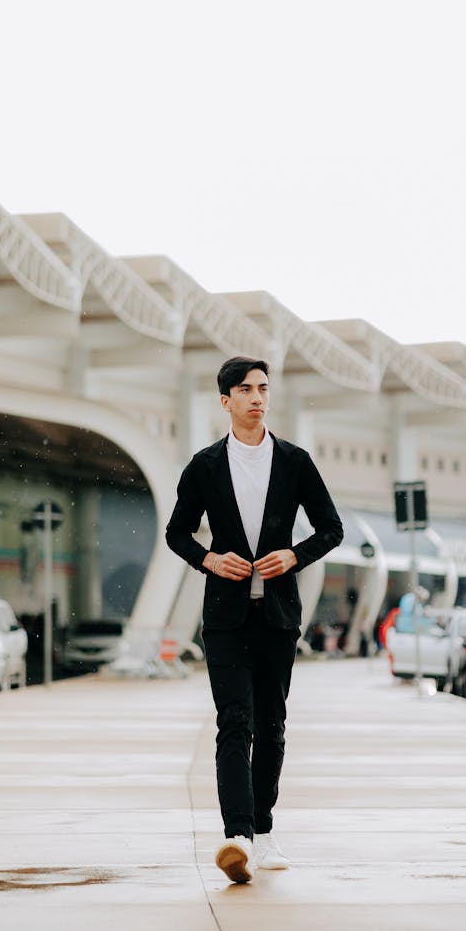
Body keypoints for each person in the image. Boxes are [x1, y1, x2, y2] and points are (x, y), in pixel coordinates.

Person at [166, 356, 343, 884]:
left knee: (271, 726)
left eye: (263, 388)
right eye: (245, 390)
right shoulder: (203, 465)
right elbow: (178, 533)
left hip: (279, 615)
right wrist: (210, 559)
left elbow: (331, 529)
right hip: (225, 617)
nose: (257, 397)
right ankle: (237, 835)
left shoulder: (294, 461)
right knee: (233, 722)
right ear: (225, 401)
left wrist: (294, 555)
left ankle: (265, 832)